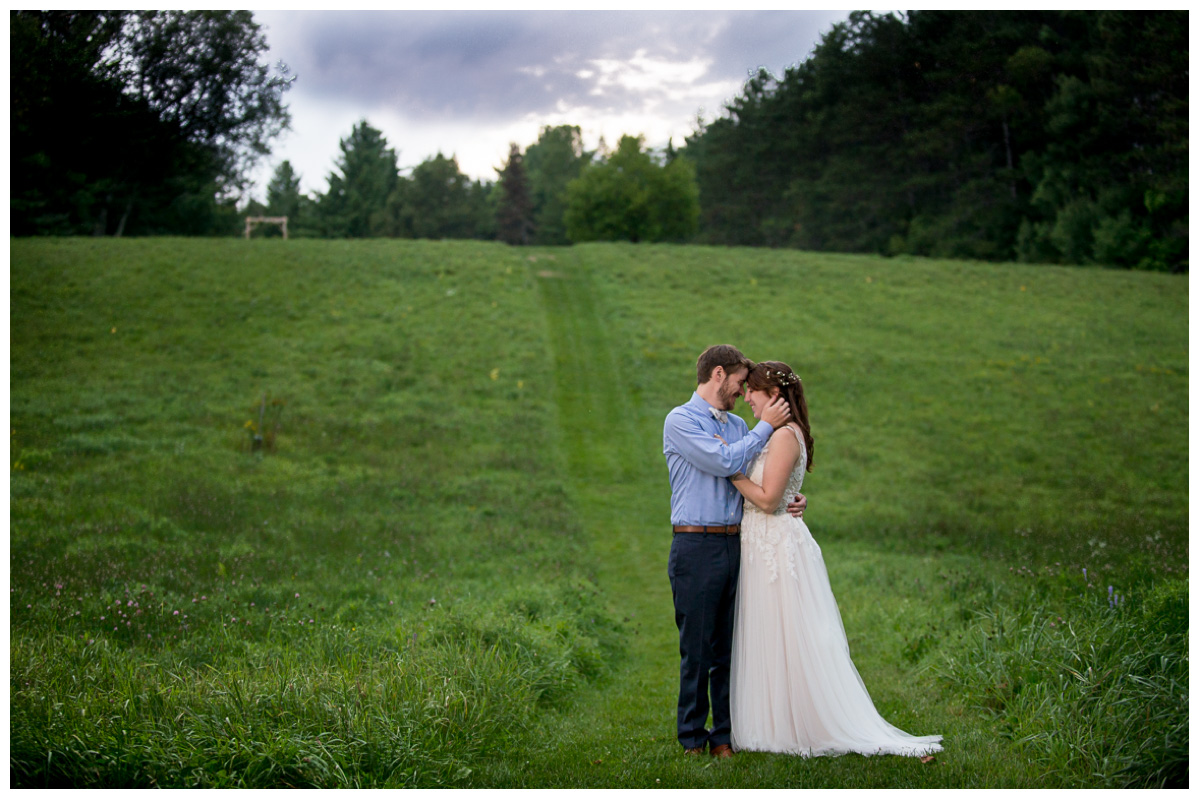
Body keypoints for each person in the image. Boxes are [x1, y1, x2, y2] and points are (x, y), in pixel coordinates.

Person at [726, 360, 943, 758]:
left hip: (775, 545)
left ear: (773, 394)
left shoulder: (785, 437)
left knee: (786, 636)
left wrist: (731, 471)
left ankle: (795, 726)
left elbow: (770, 499)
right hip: (762, 542)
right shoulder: (777, 435)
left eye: (751, 393)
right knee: (767, 635)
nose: (746, 400)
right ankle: (767, 722)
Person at [663, 345, 807, 759]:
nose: (743, 391)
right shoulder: (681, 420)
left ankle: (723, 736)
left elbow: (764, 478)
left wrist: (792, 499)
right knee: (697, 646)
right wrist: (766, 428)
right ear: (719, 374)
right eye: (740, 383)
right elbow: (724, 462)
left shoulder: (739, 425)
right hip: (696, 543)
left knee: (729, 647)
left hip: (736, 542)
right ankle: (691, 737)